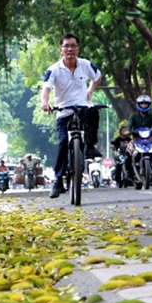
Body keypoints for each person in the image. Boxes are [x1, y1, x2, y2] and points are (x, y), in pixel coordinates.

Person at [41, 33, 103, 198]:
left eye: (73, 45)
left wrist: (90, 91)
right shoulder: (53, 69)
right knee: (62, 143)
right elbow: (46, 89)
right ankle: (58, 179)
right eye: (66, 46)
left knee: (94, 112)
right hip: (63, 111)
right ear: (61, 50)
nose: (70, 49)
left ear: (78, 48)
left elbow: (98, 77)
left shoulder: (85, 64)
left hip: (82, 108)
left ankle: (89, 146)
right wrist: (45, 103)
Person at [125, 95, 152, 178]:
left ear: (149, 105)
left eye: (146, 104)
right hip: (136, 140)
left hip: (149, 140)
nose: (144, 105)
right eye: (142, 103)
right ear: (138, 104)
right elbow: (129, 126)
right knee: (128, 151)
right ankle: (129, 172)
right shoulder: (133, 116)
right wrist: (128, 131)